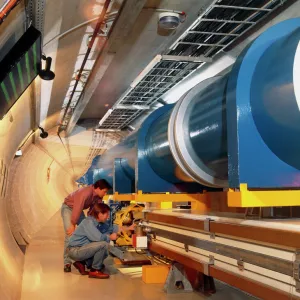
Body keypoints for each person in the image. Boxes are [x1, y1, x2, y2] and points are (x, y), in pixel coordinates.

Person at [66, 203, 135, 279]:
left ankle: (82, 263)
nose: (108, 217)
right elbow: (99, 238)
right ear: (99, 214)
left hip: (82, 249)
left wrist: (129, 228)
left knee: (104, 252)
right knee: (103, 245)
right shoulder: (88, 223)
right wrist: (111, 238)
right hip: (75, 250)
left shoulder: (99, 223)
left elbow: (114, 228)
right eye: (107, 214)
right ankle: (95, 270)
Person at [61, 179, 112, 272]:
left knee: (87, 232)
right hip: (69, 208)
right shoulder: (85, 193)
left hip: (78, 211)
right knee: (70, 234)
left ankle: (84, 261)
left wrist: (94, 225)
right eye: (104, 191)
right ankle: (67, 262)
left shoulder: (98, 197)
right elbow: (77, 207)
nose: (105, 194)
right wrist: (73, 224)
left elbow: (94, 212)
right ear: (98, 188)